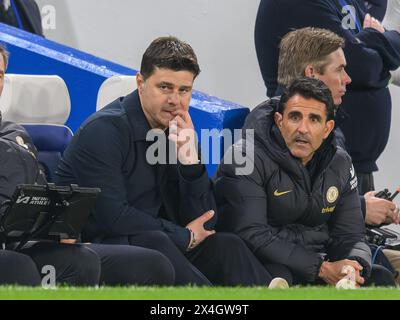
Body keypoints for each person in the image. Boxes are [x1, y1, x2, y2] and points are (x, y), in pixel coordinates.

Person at [55, 36, 276, 287]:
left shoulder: (177, 131)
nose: (175, 100)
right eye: (165, 88)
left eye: (184, 90)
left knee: (226, 245)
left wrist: (190, 162)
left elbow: (206, 220)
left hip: (158, 240)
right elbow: (113, 217)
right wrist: (184, 236)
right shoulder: (104, 131)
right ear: (141, 82)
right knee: (155, 241)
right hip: (102, 245)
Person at [0, 44, 175, 287]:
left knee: (151, 264)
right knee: (18, 267)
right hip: (12, 255)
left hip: (20, 242)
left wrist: (58, 228)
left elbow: (36, 195)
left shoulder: (16, 136)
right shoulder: (103, 130)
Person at [215, 77, 381, 287]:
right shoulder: (244, 157)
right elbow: (251, 233)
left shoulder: (340, 162)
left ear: (327, 128)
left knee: (378, 277)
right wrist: (321, 268)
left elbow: (350, 234)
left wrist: (352, 266)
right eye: (295, 117)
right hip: (265, 263)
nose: (303, 129)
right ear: (279, 120)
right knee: (280, 276)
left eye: (313, 119)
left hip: (318, 261)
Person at [254, 0, 400, 194]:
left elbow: (361, 62)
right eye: (340, 71)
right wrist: (378, 39)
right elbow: (362, 67)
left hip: (349, 164)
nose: (345, 79)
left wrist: (368, 43)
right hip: (319, 162)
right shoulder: (295, 4)